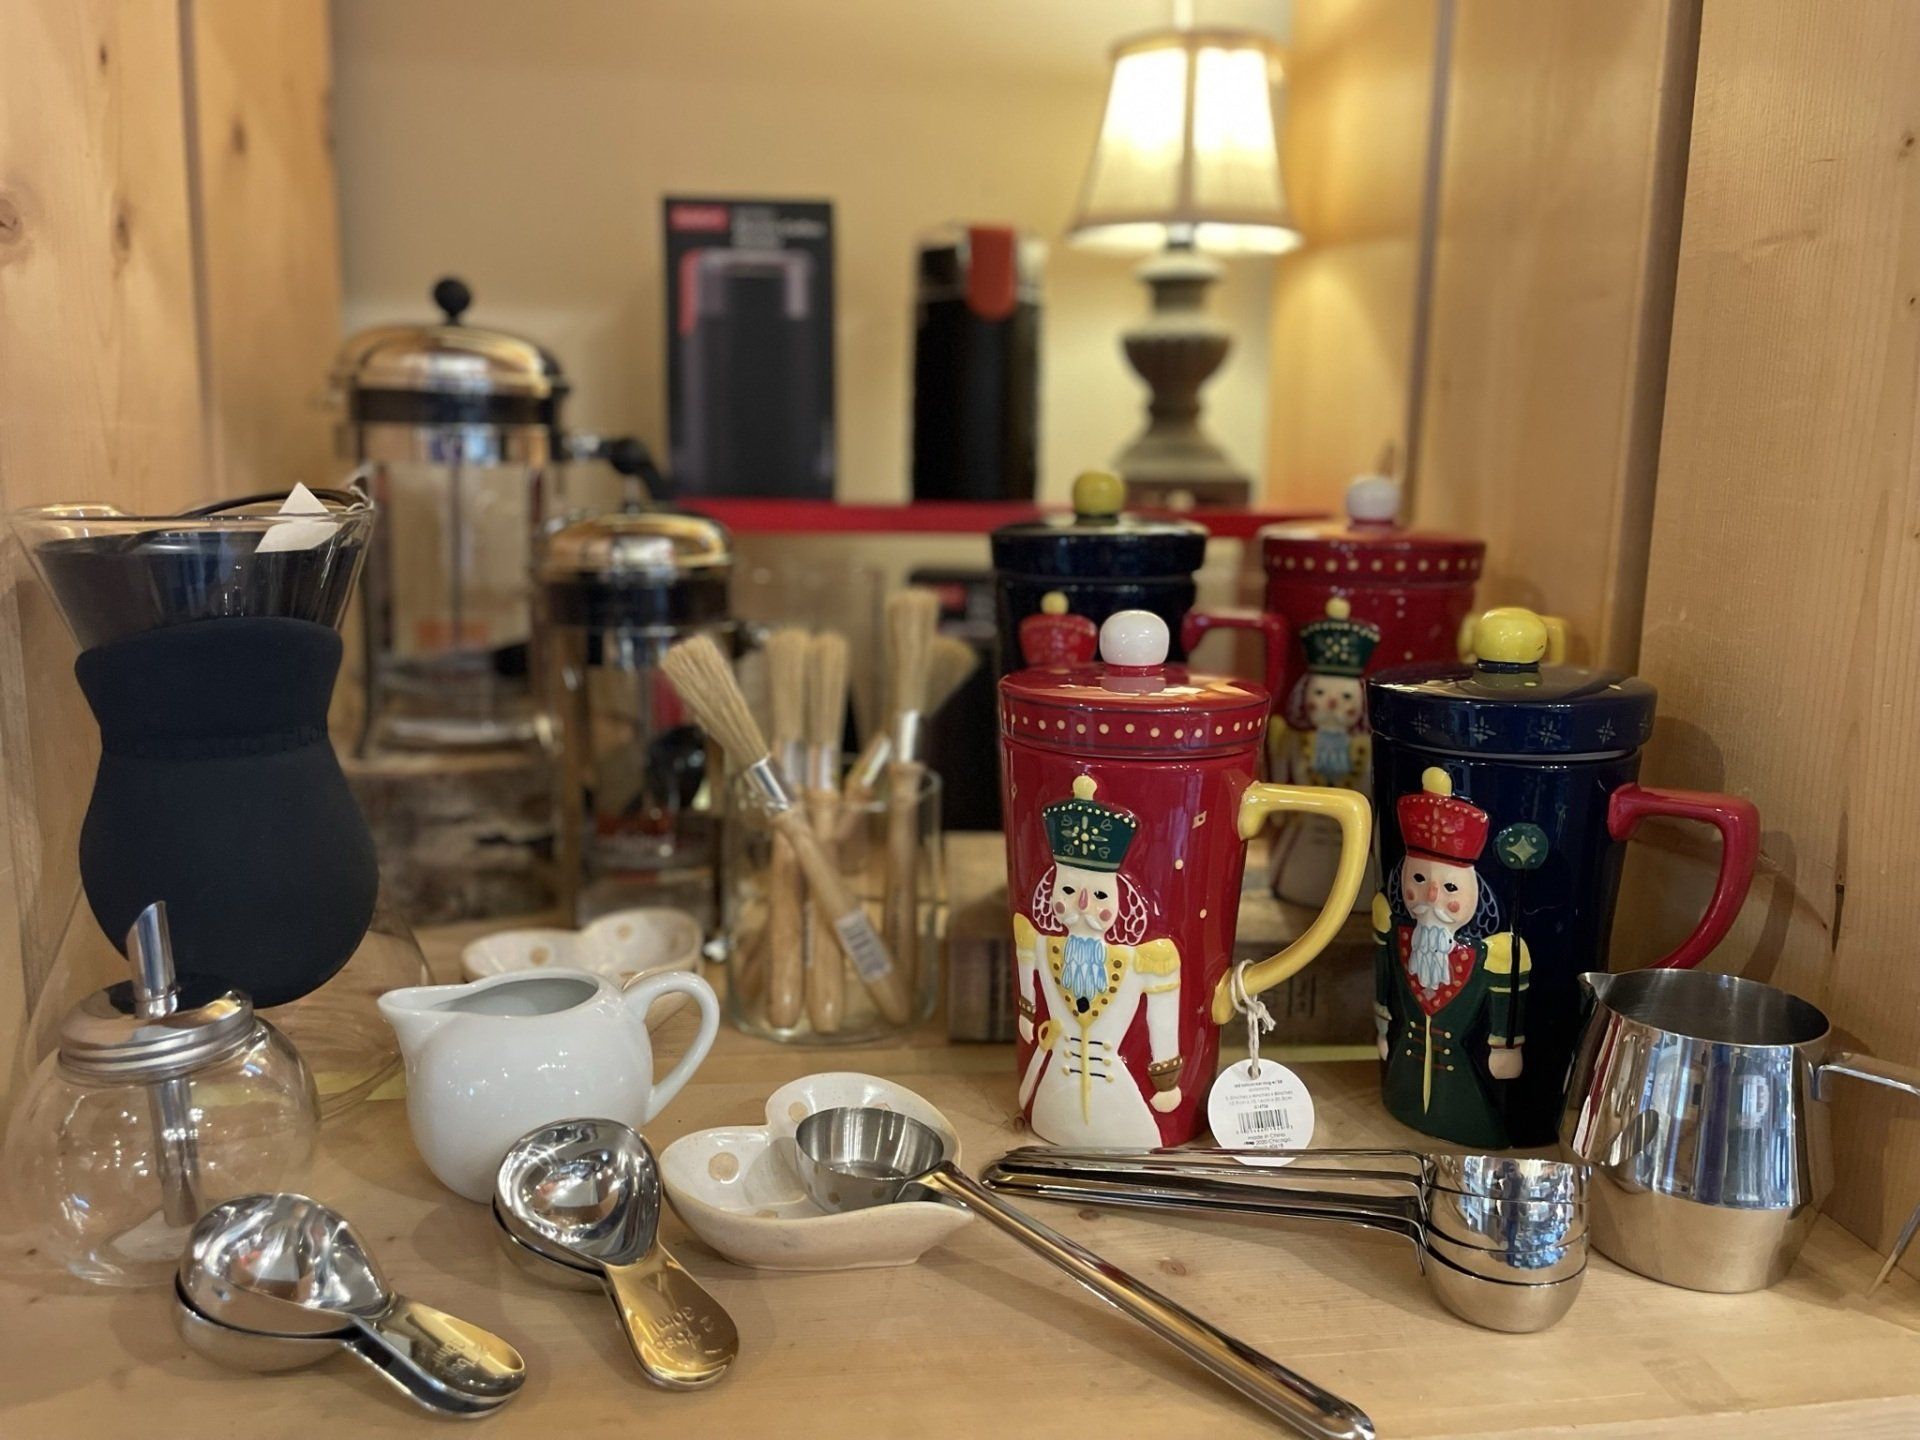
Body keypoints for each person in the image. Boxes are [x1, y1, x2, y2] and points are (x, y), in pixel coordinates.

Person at [1013, 775, 1182, 1146]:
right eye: (1069, 890)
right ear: (1052, 890)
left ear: (1121, 900)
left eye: (1100, 894)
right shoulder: (1040, 944)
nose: (1084, 906)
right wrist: (1027, 1016)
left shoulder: (1143, 960)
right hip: (1055, 1088)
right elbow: (1026, 972)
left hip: (1117, 1095)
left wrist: (1165, 1082)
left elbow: (1163, 1016)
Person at [1373, 766, 1529, 1147]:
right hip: (1403, 1074)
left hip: (1460, 1075)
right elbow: (1385, 984)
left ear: (1476, 896)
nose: (1431, 898)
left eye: (1449, 887)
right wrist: (1382, 1028)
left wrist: (1504, 1046)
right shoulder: (1397, 936)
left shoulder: (1491, 955)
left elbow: (1505, 1001)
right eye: (1419, 880)